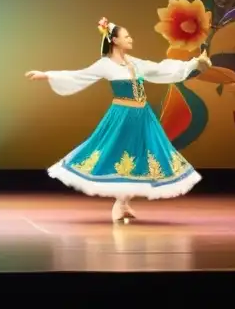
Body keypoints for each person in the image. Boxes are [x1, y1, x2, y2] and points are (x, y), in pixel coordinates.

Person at [25, 17, 210, 223]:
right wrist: (47, 75)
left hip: (143, 116)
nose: (131, 39)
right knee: (116, 154)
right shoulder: (105, 64)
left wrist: (195, 62)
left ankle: (123, 203)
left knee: (142, 156)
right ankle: (120, 204)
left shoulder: (135, 62)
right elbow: (80, 75)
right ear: (114, 40)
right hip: (122, 115)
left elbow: (160, 69)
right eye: (126, 36)